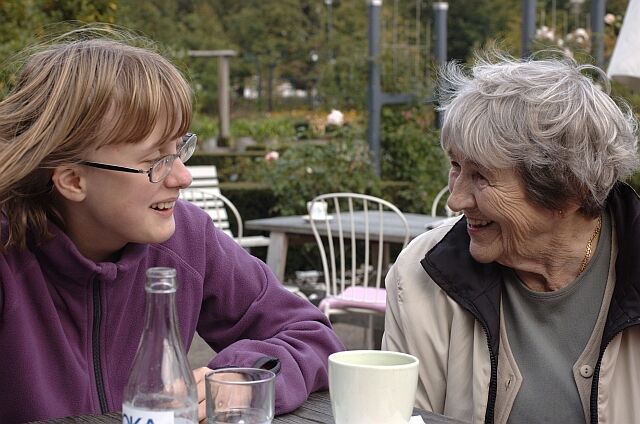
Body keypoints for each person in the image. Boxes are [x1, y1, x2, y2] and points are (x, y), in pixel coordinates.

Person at [0, 27, 344, 423]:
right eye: (155, 161)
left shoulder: (188, 238)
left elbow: (312, 334)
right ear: (73, 180)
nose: (183, 177)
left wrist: (246, 376)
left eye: (180, 149)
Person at [382, 51, 640, 424]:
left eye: (481, 177)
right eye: (456, 166)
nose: (455, 200)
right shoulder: (422, 274)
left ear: (568, 192)